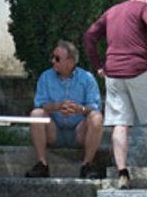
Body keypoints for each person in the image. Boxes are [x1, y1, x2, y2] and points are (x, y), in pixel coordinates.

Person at [85, 0, 147, 189]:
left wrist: (98, 65)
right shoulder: (144, 7)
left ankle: (122, 174)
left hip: (113, 73)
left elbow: (90, 36)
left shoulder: (112, 10)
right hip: (139, 69)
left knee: (120, 123)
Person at [26, 40, 105, 179]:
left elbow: (95, 106)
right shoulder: (45, 77)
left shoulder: (87, 78)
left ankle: (87, 165)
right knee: (36, 114)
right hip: (53, 131)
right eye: (52, 57)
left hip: (80, 132)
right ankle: (42, 164)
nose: (53, 61)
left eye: (57, 58)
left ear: (70, 61)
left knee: (97, 117)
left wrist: (79, 108)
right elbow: (39, 104)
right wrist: (56, 106)